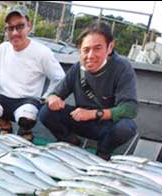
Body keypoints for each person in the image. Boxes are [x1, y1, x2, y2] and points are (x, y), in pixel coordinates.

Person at [39, 23, 138, 160]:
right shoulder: (77, 69)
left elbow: (130, 109)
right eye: (86, 50)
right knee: (46, 112)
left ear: (110, 47)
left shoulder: (122, 67)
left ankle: (103, 152)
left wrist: (93, 114)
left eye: (97, 49)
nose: (90, 56)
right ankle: (71, 143)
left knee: (127, 126)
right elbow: (54, 94)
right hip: (80, 120)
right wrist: (52, 98)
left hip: (105, 125)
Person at [0, 5, 65, 141]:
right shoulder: (3, 48)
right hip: (5, 99)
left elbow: (59, 78)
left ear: (28, 26)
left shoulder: (42, 52)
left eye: (19, 26)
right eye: (10, 28)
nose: (14, 32)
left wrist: (46, 97)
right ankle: (5, 126)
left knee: (26, 119)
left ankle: (25, 131)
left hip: (28, 102)